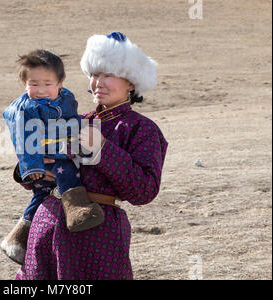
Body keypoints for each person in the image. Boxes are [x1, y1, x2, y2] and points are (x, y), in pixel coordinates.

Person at [13, 32, 168, 279]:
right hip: (46, 225)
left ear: (131, 82)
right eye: (95, 74)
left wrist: (103, 150)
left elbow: (144, 191)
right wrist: (32, 168)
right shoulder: (73, 119)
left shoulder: (142, 129)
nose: (99, 82)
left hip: (97, 235)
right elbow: (31, 171)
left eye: (109, 75)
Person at [0, 49, 105, 265]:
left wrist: (79, 141)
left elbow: (73, 120)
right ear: (24, 84)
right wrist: (32, 167)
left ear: (60, 82)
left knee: (42, 196)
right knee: (64, 174)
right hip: (44, 156)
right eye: (34, 84)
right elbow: (23, 138)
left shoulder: (66, 98)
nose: (40, 90)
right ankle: (76, 209)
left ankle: (16, 240)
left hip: (63, 147)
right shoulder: (25, 109)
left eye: (47, 83)